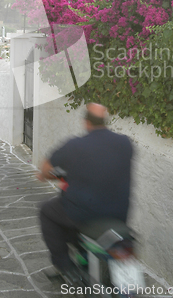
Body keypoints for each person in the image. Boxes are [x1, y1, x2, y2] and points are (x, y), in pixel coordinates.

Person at [37, 102, 133, 275]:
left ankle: (65, 267)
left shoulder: (74, 146)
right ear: (105, 122)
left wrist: (45, 175)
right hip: (119, 216)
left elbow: (45, 168)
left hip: (84, 214)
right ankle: (84, 255)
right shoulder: (125, 144)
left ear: (86, 123)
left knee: (47, 211)